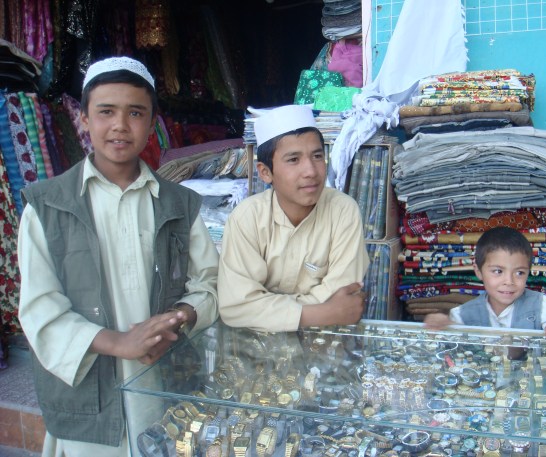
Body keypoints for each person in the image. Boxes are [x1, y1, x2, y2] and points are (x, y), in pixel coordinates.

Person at [17, 56, 219, 457]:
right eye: (106, 111)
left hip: (162, 385)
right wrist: (119, 342)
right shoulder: (47, 206)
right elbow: (40, 310)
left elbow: (210, 285)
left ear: (152, 124)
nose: (120, 126)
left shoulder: (182, 204)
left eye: (135, 113)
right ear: (85, 120)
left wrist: (178, 319)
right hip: (88, 400)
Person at [218, 104, 370, 332]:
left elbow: (344, 296)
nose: (310, 170)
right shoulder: (247, 218)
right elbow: (235, 306)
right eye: (293, 160)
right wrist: (324, 313)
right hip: (258, 351)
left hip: (323, 346)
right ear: (265, 172)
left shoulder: (342, 211)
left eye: (317, 156)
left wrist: (264, 309)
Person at [424, 226, 546, 339]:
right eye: (498, 271)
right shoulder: (466, 312)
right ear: (478, 271)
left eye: (519, 273)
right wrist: (439, 321)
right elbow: (445, 333)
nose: (509, 281)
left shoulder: (540, 305)